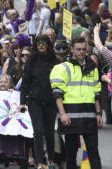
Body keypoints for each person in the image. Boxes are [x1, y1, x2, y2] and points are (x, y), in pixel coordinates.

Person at [50, 37, 102, 169]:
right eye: (78, 49)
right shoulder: (61, 68)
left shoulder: (92, 68)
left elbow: (97, 93)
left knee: (93, 152)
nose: (82, 52)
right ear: (71, 49)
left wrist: (99, 113)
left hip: (90, 115)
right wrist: (62, 114)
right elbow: (57, 93)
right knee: (71, 154)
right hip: (70, 116)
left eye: (84, 49)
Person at [20, 35, 58, 169]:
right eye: (38, 43)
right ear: (35, 45)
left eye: (44, 43)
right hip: (35, 101)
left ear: (48, 44)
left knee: (49, 132)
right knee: (38, 131)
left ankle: (51, 160)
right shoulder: (31, 60)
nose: (41, 45)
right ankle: (40, 162)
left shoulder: (55, 60)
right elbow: (25, 82)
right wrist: (22, 102)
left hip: (51, 101)